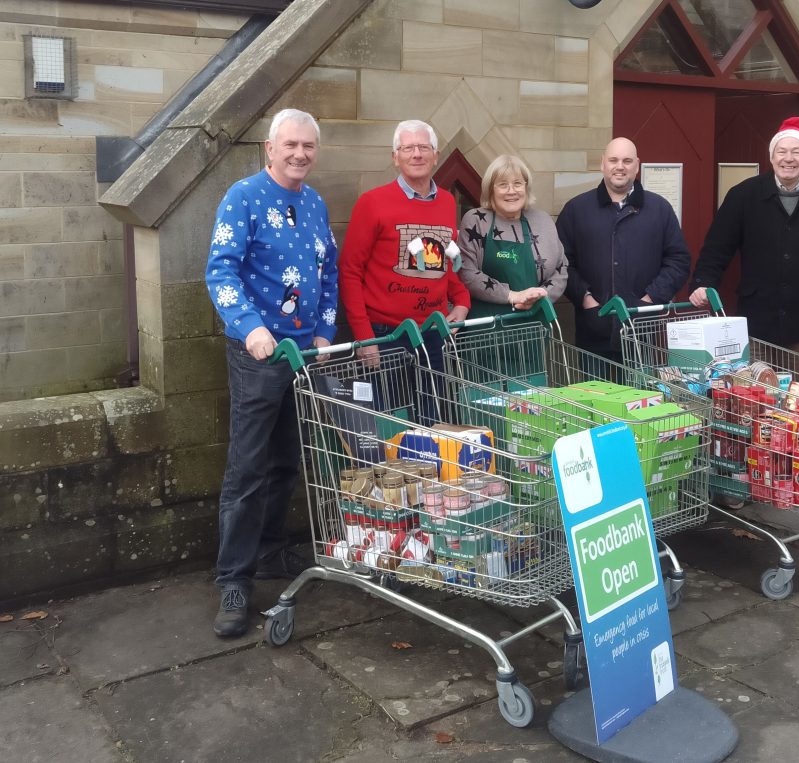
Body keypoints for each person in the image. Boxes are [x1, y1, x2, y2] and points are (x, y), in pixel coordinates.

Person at [205, 108, 338, 639]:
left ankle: (269, 551)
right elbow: (220, 269)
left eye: (308, 146)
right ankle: (233, 579)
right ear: (269, 147)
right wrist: (248, 326)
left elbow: (327, 271)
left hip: (305, 356)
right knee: (248, 469)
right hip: (258, 354)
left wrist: (326, 331)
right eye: (291, 145)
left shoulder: (315, 203)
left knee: (287, 461)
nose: (300, 154)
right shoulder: (243, 197)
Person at [689, 117, 799, 359]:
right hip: (757, 323)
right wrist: (703, 281)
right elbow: (717, 248)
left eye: (797, 152)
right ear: (772, 157)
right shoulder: (743, 195)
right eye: (782, 151)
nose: (788, 158)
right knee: (757, 395)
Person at [338, 120, 470, 398]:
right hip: (385, 336)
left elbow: (446, 262)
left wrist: (461, 300)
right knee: (390, 424)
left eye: (424, 147)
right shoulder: (372, 203)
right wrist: (364, 336)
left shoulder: (447, 202)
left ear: (436, 155)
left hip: (432, 333)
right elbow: (350, 271)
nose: (417, 154)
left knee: (431, 422)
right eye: (408, 148)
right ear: (395, 158)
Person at [555, 136, 691, 363]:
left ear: (637, 166)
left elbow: (678, 260)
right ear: (602, 164)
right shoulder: (576, 209)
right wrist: (586, 298)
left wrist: (649, 300)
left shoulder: (659, 209)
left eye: (627, 161)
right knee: (592, 397)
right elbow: (561, 262)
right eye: (613, 160)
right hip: (593, 330)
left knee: (641, 398)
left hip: (642, 331)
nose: (620, 166)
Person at [458, 154, 567, 317]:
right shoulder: (476, 220)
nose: (511, 191)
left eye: (517, 184)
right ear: (490, 189)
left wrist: (539, 296)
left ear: (526, 187)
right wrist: (512, 296)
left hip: (534, 323)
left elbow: (561, 269)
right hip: (487, 329)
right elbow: (466, 273)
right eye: (502, 185)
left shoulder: (543, 221)